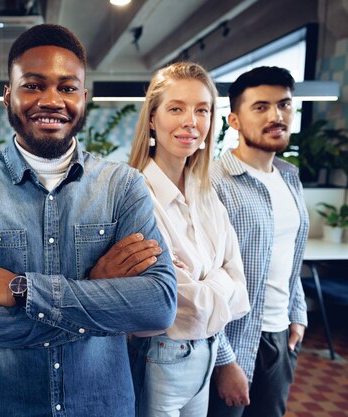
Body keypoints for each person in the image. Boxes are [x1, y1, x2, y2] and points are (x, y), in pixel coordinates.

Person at [0, 23, 177, 417]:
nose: (51, 100)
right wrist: (95, 292)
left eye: (66, 87)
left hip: (101, 406)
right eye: (33, 85)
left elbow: (158, 306)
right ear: (8, 95)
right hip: (1, 407)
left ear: (84, 96)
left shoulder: (123, 186)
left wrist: (24, 291)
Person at [126, 62, 250, 417]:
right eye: (176, 108)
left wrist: (202, 282)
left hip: (206, 354)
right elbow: (165, 302)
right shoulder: (135, 195)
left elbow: (237, 280)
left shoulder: (205, 191)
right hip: (159, 355)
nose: (190, 122)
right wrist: (215, 280)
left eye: (202, 110)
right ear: (152, 118)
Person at [208, 66, 310, 417]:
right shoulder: (213, 182)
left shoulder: (289, 178)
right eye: (261, 107)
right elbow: (203, 280)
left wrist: (297, 317)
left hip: (280, 338)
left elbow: (289, 256)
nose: (276, 116)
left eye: (284, 105)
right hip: (232, 344)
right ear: (234, 120)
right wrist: (224, 361)